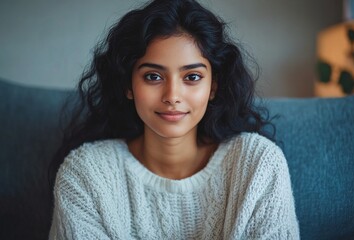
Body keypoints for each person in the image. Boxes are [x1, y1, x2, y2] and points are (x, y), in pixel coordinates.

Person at [49, 0, 299, 239]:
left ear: (213, 87)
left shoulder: (258, 165)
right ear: (128, 84)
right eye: (153, 77)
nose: (172, 96)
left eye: (191, 77)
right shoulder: (85, 175)